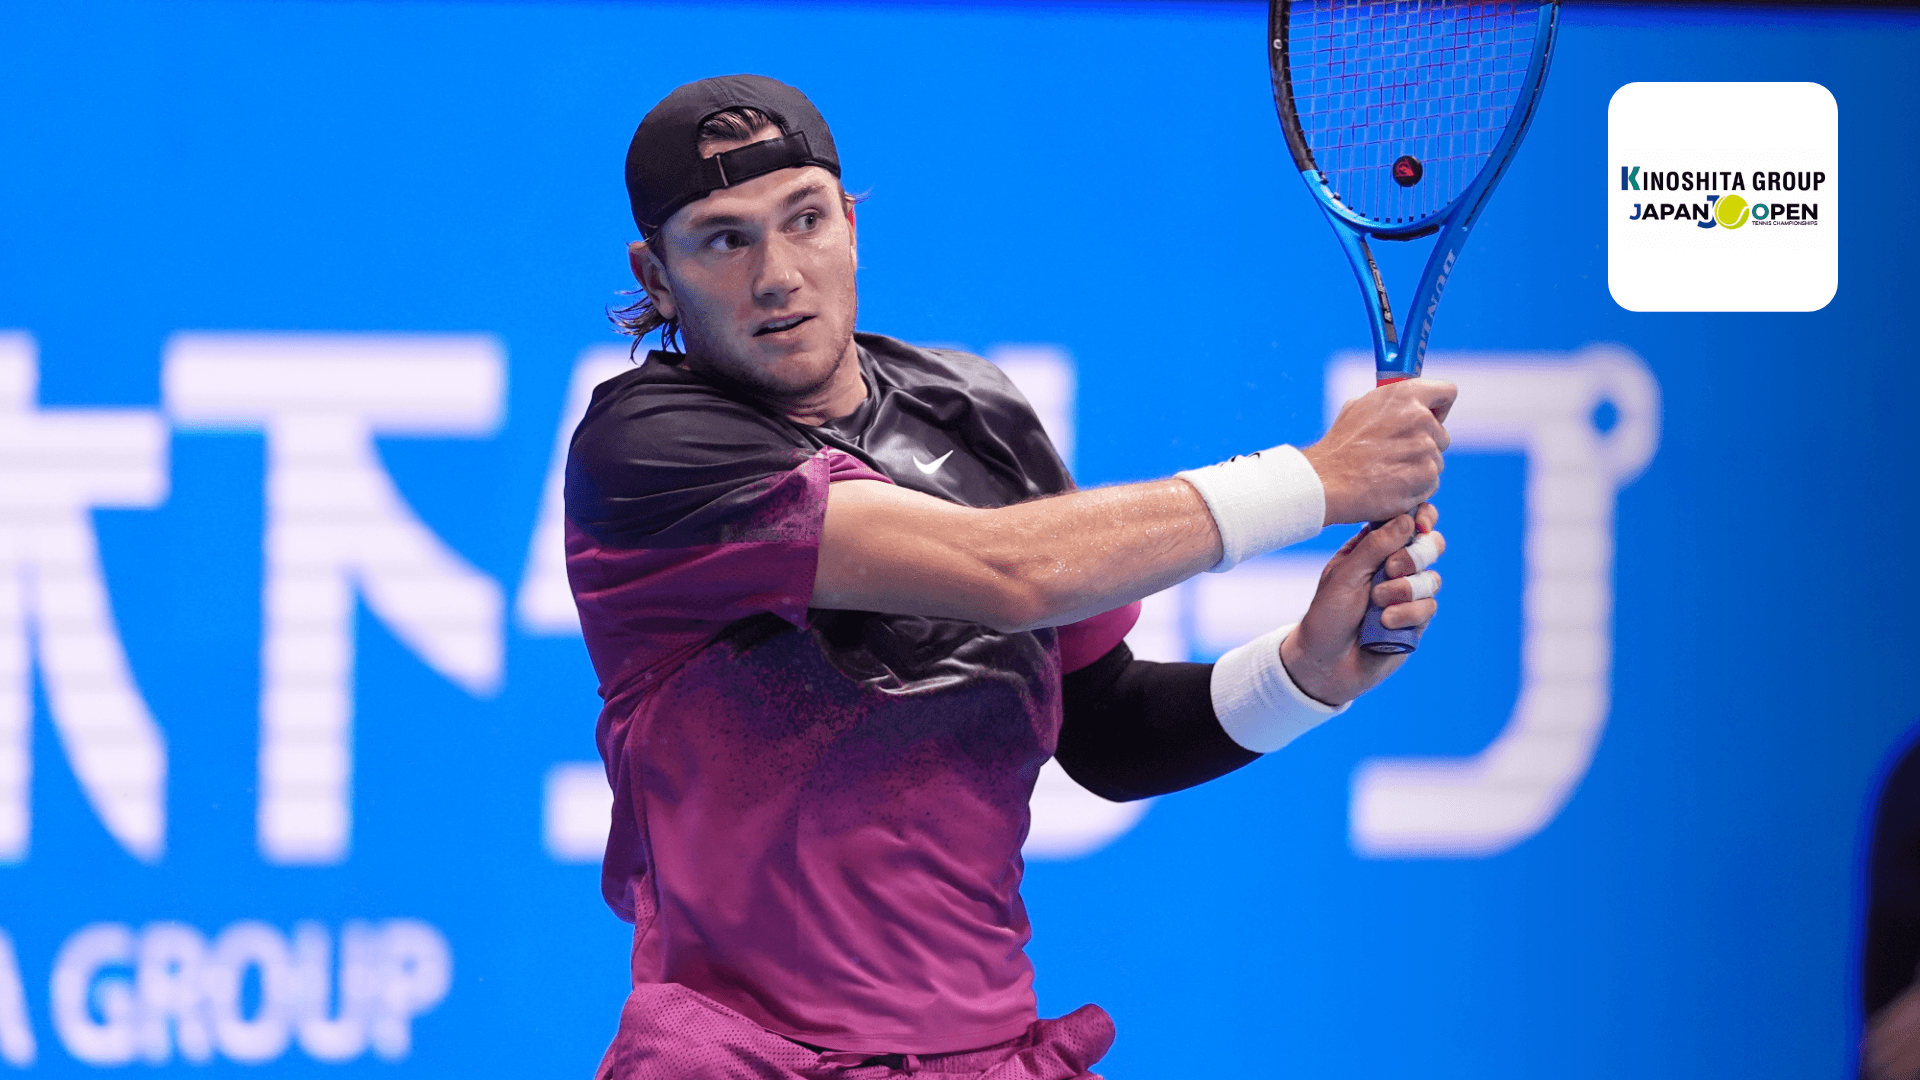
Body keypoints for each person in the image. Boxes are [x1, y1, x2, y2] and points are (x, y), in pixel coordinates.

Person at [568, 74, 1456, 1080]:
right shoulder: (648, 450)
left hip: (991, 1058)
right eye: (725, 240)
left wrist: (1303, 674)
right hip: (751, 1062)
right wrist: (1316, 480)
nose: (777, 275)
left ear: (851, 224)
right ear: (656, 273)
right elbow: (1009, 571)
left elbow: (1105, 729)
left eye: (804, 219)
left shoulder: (973, 408)